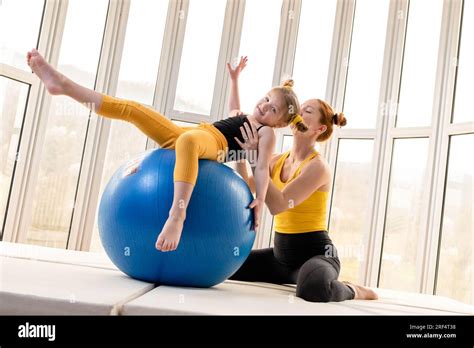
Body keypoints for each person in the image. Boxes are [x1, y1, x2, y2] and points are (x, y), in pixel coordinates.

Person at [26, 50, 307, 252]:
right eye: (266, 99)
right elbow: (234, 107)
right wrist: (234, 79)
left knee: (188, 143)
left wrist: (259, 197)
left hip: (213, 145)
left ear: (280, 123)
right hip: (196, 132)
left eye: (273, 110)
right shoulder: (248, 117)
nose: (265, 106)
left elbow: (260, 166)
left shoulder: (265, 132)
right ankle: (62, 85)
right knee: (133, 109)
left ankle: (177, 216)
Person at [227, 58, 378, 302]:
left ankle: (354, 289)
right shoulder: (275, 161)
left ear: (319, 129)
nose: (298, 114)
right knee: (228, 263)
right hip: (280, 258)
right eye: (297, 110)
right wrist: (245, 154)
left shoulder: (318, 168)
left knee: (313, 288)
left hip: (315, 255)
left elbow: (278, 205)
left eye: (307, 112)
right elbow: (244, 186)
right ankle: (295, 275)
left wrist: (256, 158)